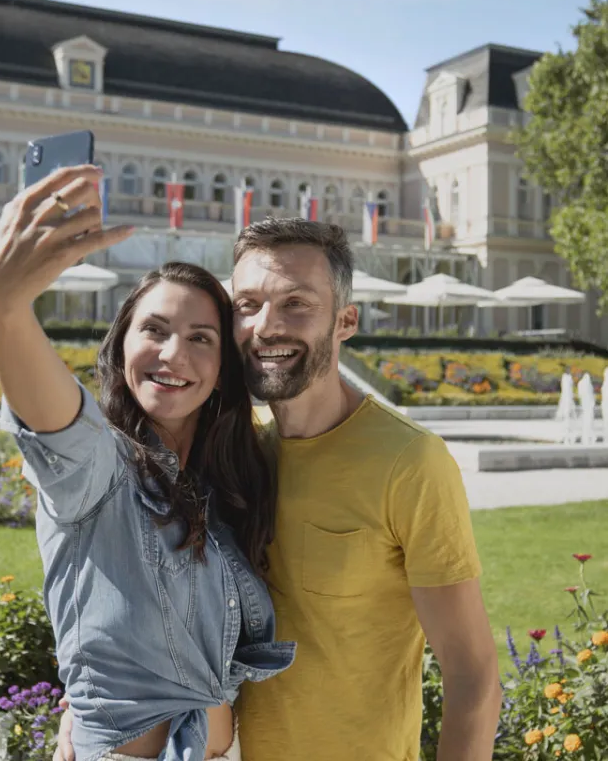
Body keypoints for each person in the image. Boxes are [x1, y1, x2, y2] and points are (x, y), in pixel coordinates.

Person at [57, 215, 502, 760]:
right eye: (247, 304)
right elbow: (145, 593)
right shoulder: (234, 450)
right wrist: (85, 708)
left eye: (296, 303)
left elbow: (473, 677)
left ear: (345, 321)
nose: (266, 326)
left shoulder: (410, 461)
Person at [0, 166, 295, 761]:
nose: (173, 353)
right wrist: (4, 314)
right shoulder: (100, 469)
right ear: (122, 345)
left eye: (201, 338)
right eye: (155, 329)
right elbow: (59, 430)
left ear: (222, 368)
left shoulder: (228, 483)